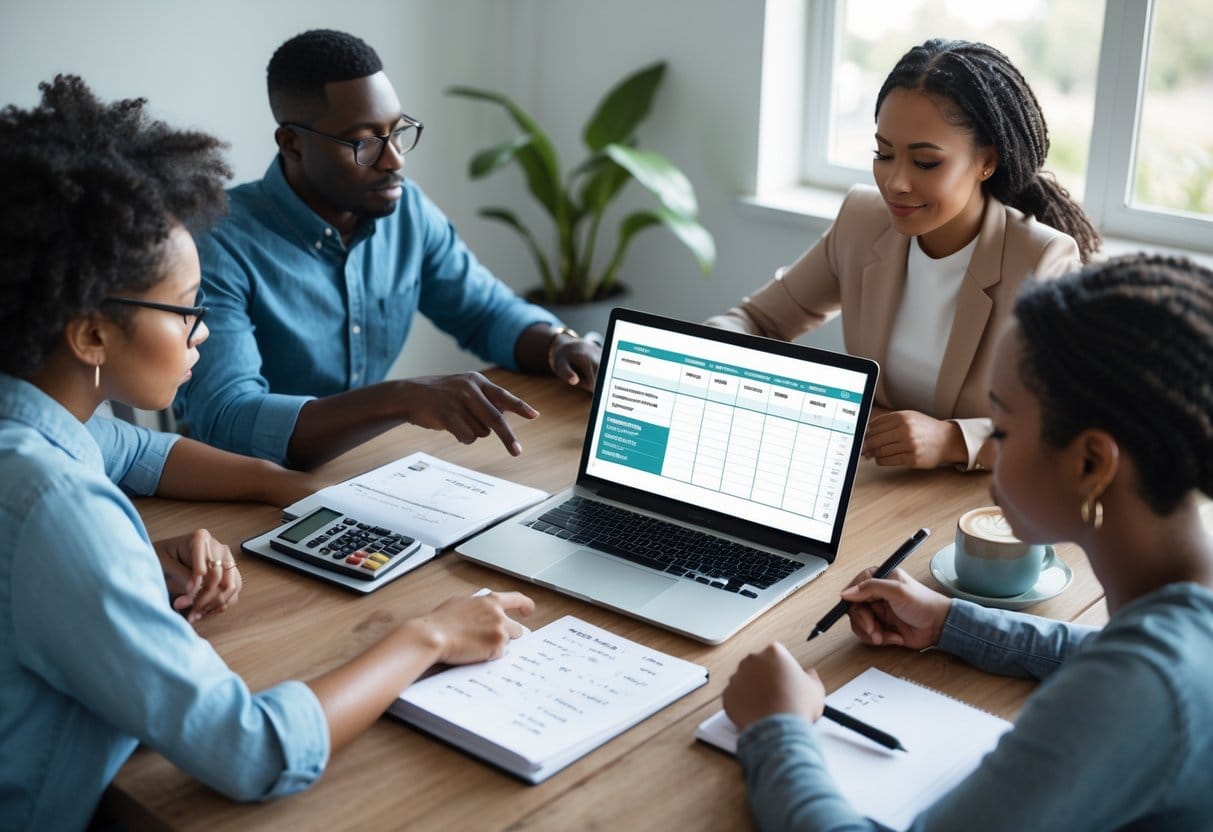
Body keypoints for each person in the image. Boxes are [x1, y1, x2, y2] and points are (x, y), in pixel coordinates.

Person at [0, 75, 535, 829]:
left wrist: (286, 491)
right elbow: (250, 752)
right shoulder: (55, 502)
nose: (203, 330)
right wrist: (431, 633)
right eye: (185, 311)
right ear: (89, 333)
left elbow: (132, 452)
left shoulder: (30, 421)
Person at [721, 253, 1213, 830]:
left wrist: (776, 729)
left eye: (1000, 430)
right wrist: (948, 621)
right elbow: (1104, 655)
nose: (989, 454)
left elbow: (1125, 682)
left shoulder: (1141, 689)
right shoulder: (1178, 620)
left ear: (1091, 462)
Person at [174, 28, 601, 469]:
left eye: (396, 131)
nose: (394, 158)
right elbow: (228, 418)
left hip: (358, 467)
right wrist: (399, 399)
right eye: (363, 141)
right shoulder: (217, 244)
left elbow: (485, 312)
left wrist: (558, 345)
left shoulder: (406, 209)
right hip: (231, 490)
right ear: (292, 144)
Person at [708, 39, 1100, 471]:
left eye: (926, 162)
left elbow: (1069, 426)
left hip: (979, 501)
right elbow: (756, 321)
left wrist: (952, 440)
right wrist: (697, 360)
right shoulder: (862, 221)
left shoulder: (1041, 260)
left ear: (986, 161)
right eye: (884, 154)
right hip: (876, 481)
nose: (895, 182)